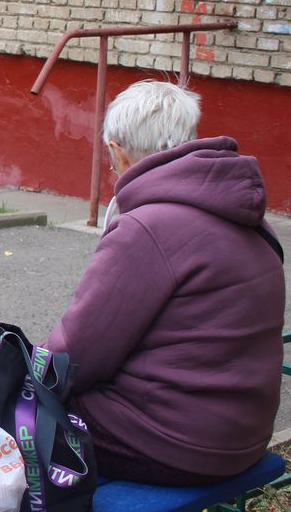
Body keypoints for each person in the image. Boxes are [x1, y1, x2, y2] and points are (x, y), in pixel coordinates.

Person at [46, 80, 284, 485]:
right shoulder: (250, 216)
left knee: (25, 411)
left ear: (117, 151)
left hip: (176, 445)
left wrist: (15, 379)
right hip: (244, 435)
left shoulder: (147, 228)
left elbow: (76, 355)